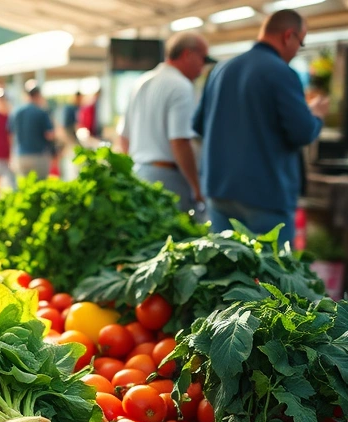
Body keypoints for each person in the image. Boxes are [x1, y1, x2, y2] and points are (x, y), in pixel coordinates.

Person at [193, 9, 328, 246]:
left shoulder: (220, 70)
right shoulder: (282, 73)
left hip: (219, 190)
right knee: (269, 276)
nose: (298, 50)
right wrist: (315, 115)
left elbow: (198, 125)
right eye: (301, 42)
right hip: (265, 196)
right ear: (289, 36)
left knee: (226, 273)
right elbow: (302, 131)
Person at [120, 31, 213, 216]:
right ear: (188, 54)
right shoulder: (180, 86)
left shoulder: (141, 82)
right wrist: (196, 187)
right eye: (202, 59)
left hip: (140, 173)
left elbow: (124, 138)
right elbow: (179, 141)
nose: (202, 68)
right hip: (168, 178)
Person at [9, 81, 55, 180]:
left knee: (25, 188)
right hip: (39, 156)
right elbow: (50, 134)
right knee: (40, 188)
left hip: (21, 155)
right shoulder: (42, 112)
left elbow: (11, 134)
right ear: (38, 95)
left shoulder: (16, 112)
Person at [59, 91, 83, 180]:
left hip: (72, 138)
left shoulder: (73, 108)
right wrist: (70, 140)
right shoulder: (70, 108)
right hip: (70, 138)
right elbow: (67, 126)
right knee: (72, 162)